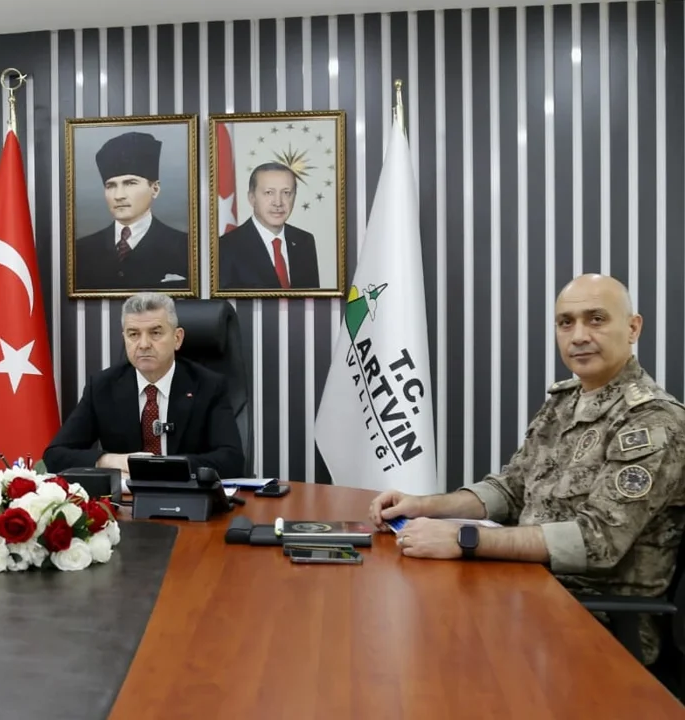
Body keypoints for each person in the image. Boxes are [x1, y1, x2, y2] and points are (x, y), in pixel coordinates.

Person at [367, 274, 685, 665]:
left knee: (428, 645)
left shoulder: (652, 422)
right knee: (398, 619)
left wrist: (465, 539)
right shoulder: (564, 401)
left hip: (598, 622)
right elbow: (512, 488)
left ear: (633, 328)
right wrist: (424, 505)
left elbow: (597, 541)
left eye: (596, 319)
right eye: (566, 322)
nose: (578, 336)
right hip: (527, 587)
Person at [43, 292, 245, 478]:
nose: (144, 344)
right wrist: (112, 461)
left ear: (177, 338)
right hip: (124, 501)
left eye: (155, 333)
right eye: (133, 334)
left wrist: (163, 467)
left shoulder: (209, 386)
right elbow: (54, 456)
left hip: (187, 499)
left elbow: (232, 460)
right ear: (124, 338)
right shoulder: (102, 387)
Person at [72, 131, 191, 292]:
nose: (119, 195)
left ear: (155, 189)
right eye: (111, 186)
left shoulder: (185, 248)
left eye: (130, 183)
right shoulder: (82, 251)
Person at [216, 162, 321, 290]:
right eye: (269, 193)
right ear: (252, 198)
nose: (278, 202)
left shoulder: (305, 241)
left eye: (286, 193)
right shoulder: (225, 248)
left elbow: (312, 299)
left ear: (294, 197)